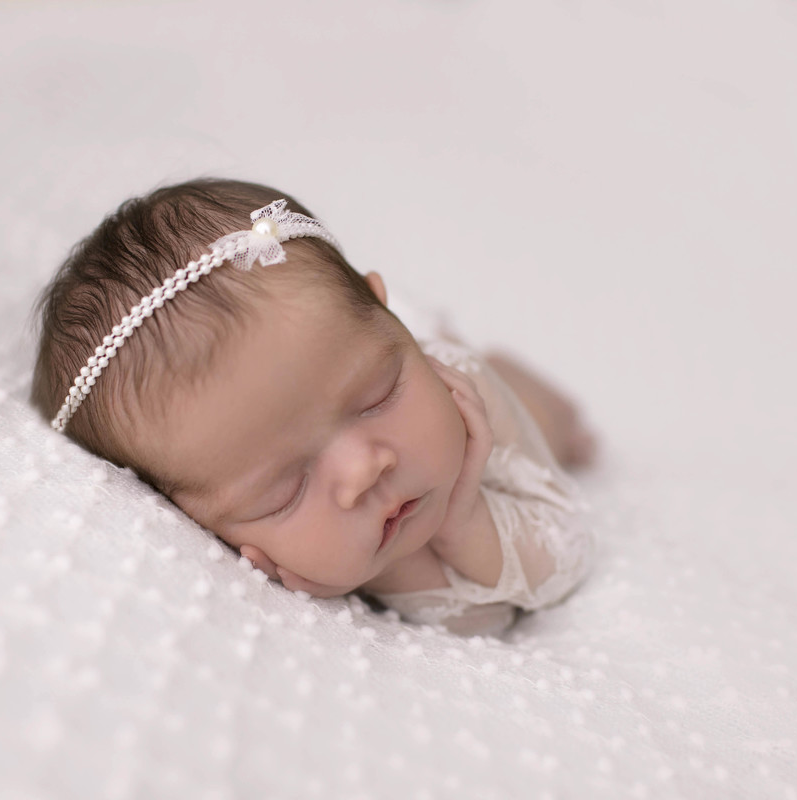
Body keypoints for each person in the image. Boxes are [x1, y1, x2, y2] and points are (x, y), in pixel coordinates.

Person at [31, 178, 597, 636]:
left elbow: (564, 558)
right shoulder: (285, 539)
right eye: (285, 491)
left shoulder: (455, 383)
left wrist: (462, 521)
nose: (362, 471)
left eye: (377, 397)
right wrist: (388, 570)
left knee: (544, 417)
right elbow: (476, 620)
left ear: (387, 315)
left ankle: (522, 381)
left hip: (488, 392)